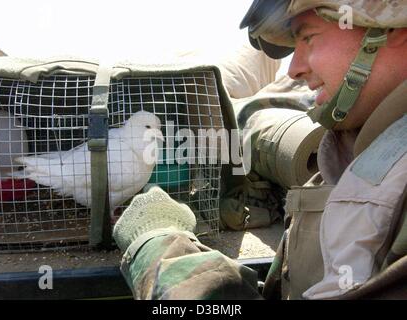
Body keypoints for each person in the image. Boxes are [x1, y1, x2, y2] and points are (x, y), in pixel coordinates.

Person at [112, 0, 407, 299]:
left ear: (392, 27)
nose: (294, 69)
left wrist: (162, 249)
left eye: (309, 38)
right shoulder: (346, 158)